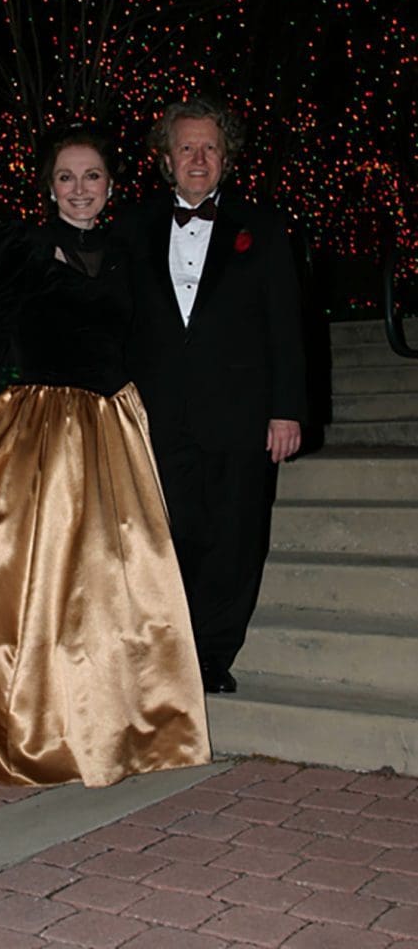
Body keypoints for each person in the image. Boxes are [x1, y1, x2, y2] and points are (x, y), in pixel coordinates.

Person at [0, 125, 211, 788]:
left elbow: (153, 344)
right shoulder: (22, 247)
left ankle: (115, 727)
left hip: (112, 428)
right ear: (49, 187)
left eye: (92, 177)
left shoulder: (128, 250)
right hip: (41, 429)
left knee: (114, 586)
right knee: (45, 584)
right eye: (66, 178)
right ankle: (30, 724)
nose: (79, 189)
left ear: (110, 186)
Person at [114, 96, 308, 695]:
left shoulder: (265, 227)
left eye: (210, 148)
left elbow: (288, 323)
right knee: (170, 538)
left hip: (242, 414)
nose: (198, 158)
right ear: (166, 159)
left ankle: (212, 658)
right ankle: (166, 654)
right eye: (186, 148)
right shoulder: (130, 227)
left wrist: (288, 409)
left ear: (226, 157)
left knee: (236, 536)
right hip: (158, 413)